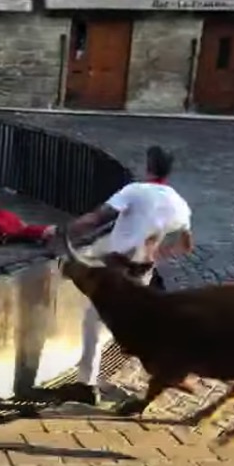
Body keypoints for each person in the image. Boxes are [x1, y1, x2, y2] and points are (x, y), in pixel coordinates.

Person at [48, 146, 193, 405]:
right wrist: (159, 252)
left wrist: (62, 231)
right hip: (143, 272)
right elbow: (186, 245)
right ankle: (162, 366)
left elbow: (95, 219)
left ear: (148, 167)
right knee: (130, 323)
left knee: (93, 322)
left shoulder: (135, 191)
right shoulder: (179, 203)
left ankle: (87, 385)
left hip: (116, 270)